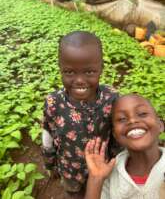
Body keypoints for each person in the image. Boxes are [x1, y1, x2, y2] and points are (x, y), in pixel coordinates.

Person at [41, 31, 121, 198]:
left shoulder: (111, 99)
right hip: (70, 169)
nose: (79, 80)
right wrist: (50, 164)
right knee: (73, 194)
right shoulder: (53, 102)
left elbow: (117, 133)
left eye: (89, 72)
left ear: (101, 69)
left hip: (102, 167)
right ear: (60, 69)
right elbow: (47, 135)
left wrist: (118, 160)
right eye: (69, 72)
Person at [85, 94, 165, 199]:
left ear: (160, 125)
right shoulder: (110, 173)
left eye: (142, 114)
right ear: (115, 135)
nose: (132, 121)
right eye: (122, 119)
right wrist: (96, 179)